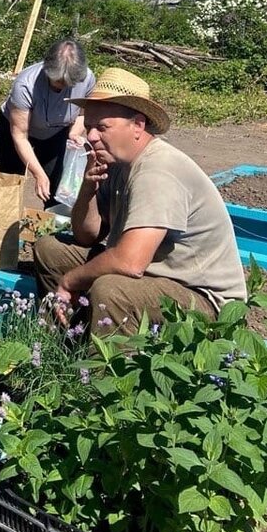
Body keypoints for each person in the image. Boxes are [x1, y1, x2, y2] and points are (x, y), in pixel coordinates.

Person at [32, 67, 246, 334]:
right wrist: (88, 189)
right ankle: (68, 343)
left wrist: (70, 281)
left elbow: (130, 263)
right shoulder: (117, 162)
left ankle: (107, 371)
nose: (91, 137)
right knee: (51, 250)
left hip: (204, 301)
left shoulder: (158, 169)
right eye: (88, 127)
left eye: (102, 127)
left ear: (137, 125)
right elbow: (87, 236)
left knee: (111, 289)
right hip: (156, 277)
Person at [0, 39, 95, 205]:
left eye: (69, 83)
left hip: (55, 133)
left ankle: (56, 226)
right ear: (47, 70)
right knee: (11, 183)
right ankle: (7, 225)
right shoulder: (25, 85)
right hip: (16, 132)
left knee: (56, 190)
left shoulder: (87, 78)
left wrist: (74, 133)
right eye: (58, 82)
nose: (63, 87)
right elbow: (20, 136)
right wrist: (38, 174)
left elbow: (83, 113)